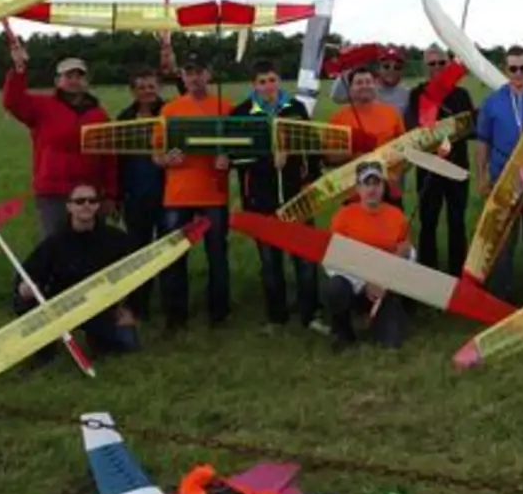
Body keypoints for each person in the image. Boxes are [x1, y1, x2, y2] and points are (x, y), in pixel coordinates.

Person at [231, 59, 324, 333]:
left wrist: (311, 178)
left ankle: (310, 315)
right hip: (261, 200)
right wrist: (270, 161)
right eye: (262, 82)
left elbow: (312, 146)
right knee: (270, 262)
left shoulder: (295, 109)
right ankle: (276, 317)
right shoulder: (242, 114)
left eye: (272, 80)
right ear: (253, 85)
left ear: (279, 81)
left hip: (297, 197)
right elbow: (238, 158)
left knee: (306, 259)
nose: (268, 86)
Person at [1, 43, 118, 239]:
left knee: (91, 245)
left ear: (86, 81)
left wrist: (111, 195)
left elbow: (109, 158)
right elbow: (12, 102)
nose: (74, 80)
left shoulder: (99, 115)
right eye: (68, 76)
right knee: (55, 243)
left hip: (89, 194)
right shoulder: (41, 106)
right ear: (57, 81)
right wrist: (19, 69)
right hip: (53, 192)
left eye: (79, 76)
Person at [14, 182, 139, 363]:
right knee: (27, 302)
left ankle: (99, 336)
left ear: (98, 205)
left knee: (125, 348)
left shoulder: (116, 239)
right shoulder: (54, 243)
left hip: (100, 305)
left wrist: (129, 309)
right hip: (62, 306)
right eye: (79, 201)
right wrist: (24, 288)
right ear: (69, 206)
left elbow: (137, 272)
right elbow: (28, 274)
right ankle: (48, 341)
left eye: (92, 200)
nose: (86, 205)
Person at [156, 53, 234, 332]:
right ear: (183, 77)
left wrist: (228, 158)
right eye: (189, 73)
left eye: (199, 72)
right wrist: (166, 160)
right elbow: (156, 153)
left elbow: (238, 145)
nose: (194, 77)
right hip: (178, 196)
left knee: (217, 256)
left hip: (214, 194)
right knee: (175, 257)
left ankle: (220, 313)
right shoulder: (170, 110)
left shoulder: (225, 107)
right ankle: (175, 315)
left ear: (208, 76)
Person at [474, 45, 523, 301]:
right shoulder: (492, 102)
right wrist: (482, 177)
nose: (518, 73)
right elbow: (482, 141)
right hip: (502, 181)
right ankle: (500, 298)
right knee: (503, 243)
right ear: (506, 70)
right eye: (513, 68)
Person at [323, 161, 414, 351]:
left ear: (383, 187)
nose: (372, 189)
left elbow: (408, 257)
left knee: (393, 343)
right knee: (335, 288)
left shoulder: (397, 216)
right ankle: (343, 331)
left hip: (384, 288)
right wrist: (365, 284)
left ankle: (381, 318)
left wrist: (407, 253)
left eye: (377, 183)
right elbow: (332, 261)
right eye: (367, 183)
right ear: (358, 188)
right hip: (353, 284)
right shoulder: (343, 216)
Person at [403, 45, 475, 275]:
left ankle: (456, 274)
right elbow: (412, 127)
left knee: (457, 222)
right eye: (432, 63)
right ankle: (428, 273)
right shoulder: (418, 94)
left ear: (448, 65)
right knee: (428, 223)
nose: (437, 68)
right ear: (425, 66)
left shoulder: (461, 95)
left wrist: (454, 128)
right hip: (428, 168)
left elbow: (471, 128)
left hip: (457, 166)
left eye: (441, 63)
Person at [115, 66, 173, 320]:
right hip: (135, 195)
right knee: (138, 252)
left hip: (168, 194)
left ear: (159, 87)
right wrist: (117, 194)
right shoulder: (124, 118)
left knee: (168, 250)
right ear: (132, 91)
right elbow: (116, 160)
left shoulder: (171, 112)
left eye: (151, 86)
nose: (147, 92)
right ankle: (139, 307)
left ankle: (172, 306)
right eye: (141, 87)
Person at [327, 65, 408, 206]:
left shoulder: (391, 114)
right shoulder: (338, 119)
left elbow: (404, 150)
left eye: (368, 82)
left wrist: (396, 174)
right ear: (350, 89)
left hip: (387, 189)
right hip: (353, 192)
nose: (364, 86)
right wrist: (353, 147)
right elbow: (329, 159)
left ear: (375, 85)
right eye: (359, 83)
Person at [329, 44, 412, 112]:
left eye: (397, 67)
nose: (391, 70)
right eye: (386, 66)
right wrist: (348, 67)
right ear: (379, 68)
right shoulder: (366, 87)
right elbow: (337, 97)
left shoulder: (408, 95)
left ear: (402, 71)